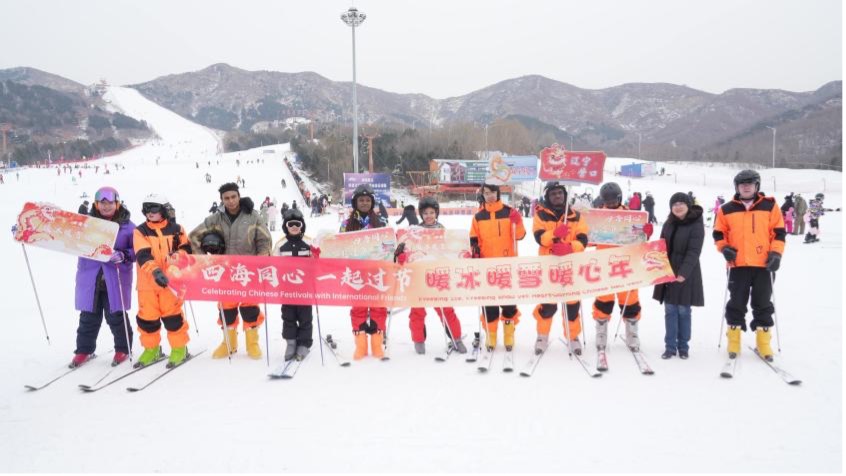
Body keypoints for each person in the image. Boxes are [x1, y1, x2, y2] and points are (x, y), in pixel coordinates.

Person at [189, 182, 272, 360]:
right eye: (226, 198)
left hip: (247, 272)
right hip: (225, 272)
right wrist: (204, 259)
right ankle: (229, 343)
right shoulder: (216, 219)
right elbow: (194, 236)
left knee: (250, 308)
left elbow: (264, 240)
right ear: (222, 200)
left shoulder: (252, 216)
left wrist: (261, 261)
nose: (231, 201)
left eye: (233, 196)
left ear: (238, 196)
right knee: (226, 309)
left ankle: (252, 343)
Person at [713, 169, 785, 361]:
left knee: (762, 304)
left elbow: (778, 232)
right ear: (737, 187)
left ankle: (763, 343)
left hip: (764, 265)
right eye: (742, 184)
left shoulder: (770, 206)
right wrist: (724, 248)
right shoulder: (726, 209)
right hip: (738, 265)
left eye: (750, 183)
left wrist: (776, 254)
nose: (746, 187)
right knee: (736, 303)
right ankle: (734, 340)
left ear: (757, 186)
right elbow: (719, 233)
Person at [71, 187, 136, 368]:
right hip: (90, 279)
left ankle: (123, 348)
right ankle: (84, 350)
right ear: (96, 204)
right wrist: (27, 232)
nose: (106, 207)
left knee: (116, 316)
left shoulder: (128, 226)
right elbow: (64, 237)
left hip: (114, 279)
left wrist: (123, 255)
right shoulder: (85, 224)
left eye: (110, 203)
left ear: (117, 204)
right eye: (102, 203)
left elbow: (139, 249)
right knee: (88, 317)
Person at [400, 197, 467, 355]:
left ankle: (456, 338)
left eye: (432, 212)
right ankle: (418, 340)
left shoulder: (443, 231)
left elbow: (452, 250)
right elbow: (405, 248)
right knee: (417, 311)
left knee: (446, 309)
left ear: (436, 213)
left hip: (438, 276)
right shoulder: (415, 231)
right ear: (421, 214)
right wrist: (402, 254)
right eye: (425, 213)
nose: (429, 216)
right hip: (419, 276)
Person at [133, 194, 193, 368]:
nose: (149, 213)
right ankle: (151, 349)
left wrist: (178, 258)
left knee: (172, 316)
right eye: (146, 208)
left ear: (163, 210)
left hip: (171, 283)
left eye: (154, 208)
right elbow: (142, 255)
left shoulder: (177, 229)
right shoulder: (141, 231)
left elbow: (186, 249)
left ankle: (179, 348)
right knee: (147, 318)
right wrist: (156, 271)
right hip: (148, 284)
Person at [592, 182, 653, 352]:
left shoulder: (630, 217)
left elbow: (640, 239)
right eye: (607, 200)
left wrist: (646, 232)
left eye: (613, 200)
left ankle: (632, 333)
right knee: (604, 299)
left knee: (630, 299)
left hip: (626, 265)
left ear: (619, 198)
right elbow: (588, 239)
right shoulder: (598, 216)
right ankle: (601, 332)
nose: (611, 203)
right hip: (605, 265)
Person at [531, 181, 589, 355]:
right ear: (547, 196)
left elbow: (583, 240)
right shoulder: (541, 215)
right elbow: (539, 238)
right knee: (548, 304)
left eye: (560, 193)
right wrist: (554, 234)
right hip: (549, 267)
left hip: (570, 267)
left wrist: (570, 247)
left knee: (571, 305)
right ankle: (542, 336)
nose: (558, 196)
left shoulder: (576, 216)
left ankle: (573, 336)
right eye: (553, 193)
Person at [470, 183, 526, 351]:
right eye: (486, 193)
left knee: (508, 304)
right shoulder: (479, 216)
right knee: (490, 304)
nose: (490, 196)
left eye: (492, 192)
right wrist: (475, 250)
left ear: (498, 193)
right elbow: (473, 238)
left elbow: (520, 235)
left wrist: (518, 221)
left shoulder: (509, 212)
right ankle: (491, 335)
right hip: (487, 267)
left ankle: (509, 333)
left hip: (507, 266)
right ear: (483, 195)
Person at [652, 193, 704, 360]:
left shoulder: (696, 224)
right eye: (674, 204)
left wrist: (683, 273)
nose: (678, 206)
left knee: (683, 310)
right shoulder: (668, 223)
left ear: (688, 205)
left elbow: (694, 251)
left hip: (686, 273)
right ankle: (670, 346)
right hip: (668, 270)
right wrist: (656, 264)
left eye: (681, 203)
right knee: (670, 310)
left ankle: (683, 346)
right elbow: (661, 246)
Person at [340, 184, 389, 359]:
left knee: (378, 308)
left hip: (376, 273)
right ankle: (360, 345)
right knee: (358, 308)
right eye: (361, 200)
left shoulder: (381, 222)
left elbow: (389, 245)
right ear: (355, 202)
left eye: (368, 200)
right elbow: (339, 248)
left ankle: (377, 344)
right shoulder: (346, 224)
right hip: (356, 275)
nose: (365, 203)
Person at [273, 209, 317, 361]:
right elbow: (273, 265)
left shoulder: (309, 242)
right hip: (287, 289)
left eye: (297, 224)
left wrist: (316, 256)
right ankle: (291, 342)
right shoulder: (280, 244)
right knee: (288, 316)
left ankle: (304, 344)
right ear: (285, 226)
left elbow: (318, 263)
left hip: (305, 289)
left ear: (302, 225)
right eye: (290, 224)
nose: (294, 227)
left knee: (305, 317)